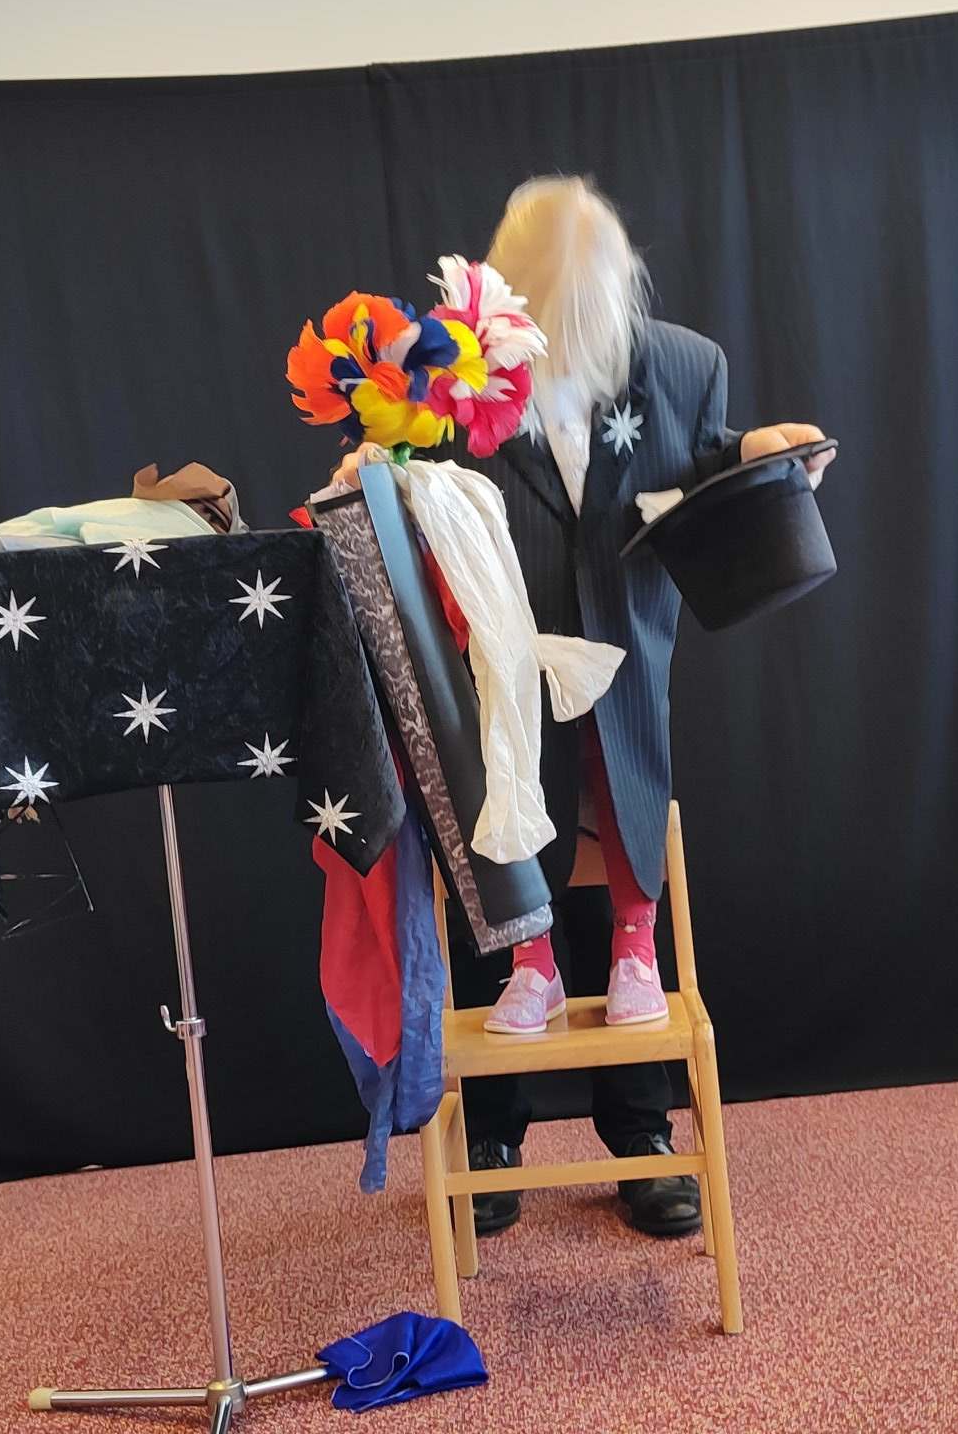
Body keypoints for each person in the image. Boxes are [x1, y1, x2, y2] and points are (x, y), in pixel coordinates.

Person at [333, 177, 835, 1238]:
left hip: (623, 664)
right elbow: (417, 488)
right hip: (499, 669)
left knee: (624, 861)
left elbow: (704, 462)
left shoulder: (684, 365)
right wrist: (378, 467)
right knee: (500, 862)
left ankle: (642, 1135)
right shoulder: (455, 375)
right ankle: (493, 1137)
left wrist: (756, 452)